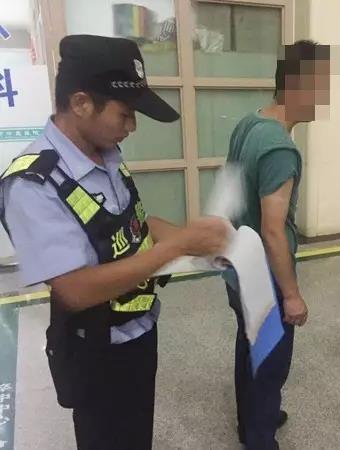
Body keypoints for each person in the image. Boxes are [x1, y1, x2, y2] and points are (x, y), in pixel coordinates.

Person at [0, 35, 230, 450]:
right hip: (96, 353)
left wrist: (193, 240)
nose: (132, 126)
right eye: (125, 114)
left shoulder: (106, 155)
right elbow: (74, 289)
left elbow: (132, 225)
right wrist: (175, 248)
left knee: (136, 437)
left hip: (140, 333)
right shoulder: (33, 184)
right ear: (81, 103)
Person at [224, 40, 330, 450]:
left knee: (248, 345)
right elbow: (273, 230)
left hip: (239, 262)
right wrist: (292, 295)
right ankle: (260, 437)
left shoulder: (249, 124)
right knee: (270, 363)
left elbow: (233, 192)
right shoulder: (280, 148)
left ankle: (251, 420)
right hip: (263, 277)